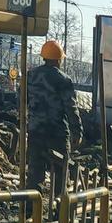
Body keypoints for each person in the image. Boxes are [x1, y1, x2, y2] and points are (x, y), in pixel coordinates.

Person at [25, 38, 79, 201]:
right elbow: (71, 108)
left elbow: (21, 100)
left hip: (36, 132)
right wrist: (77, 132)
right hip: (58, 134)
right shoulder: (63, 80)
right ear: (59, 59)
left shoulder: (31, 76)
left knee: (34, 176)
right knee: (61, 176)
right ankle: (59, 212)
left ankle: (30, 211)